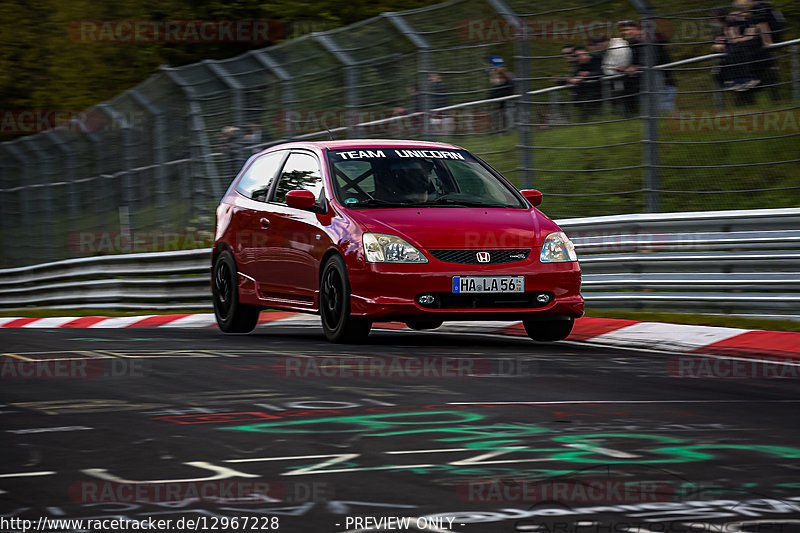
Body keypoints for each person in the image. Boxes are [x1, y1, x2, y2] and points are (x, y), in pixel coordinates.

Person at [619, 20, 677, 115]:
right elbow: (636, 62)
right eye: (623, 30)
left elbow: (655, 59)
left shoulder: (652, 41)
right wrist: (627, 68)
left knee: (663, 109)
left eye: (628, 29)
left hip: (661, 79)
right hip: (647, 79)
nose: (625, 33)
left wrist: (638, 67)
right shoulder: (634, 44)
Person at [567, 46, 603, 121]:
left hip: (599, 89)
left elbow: (601, 73)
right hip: (586, 92)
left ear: (585, 53)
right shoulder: (579, 64)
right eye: (575, 56)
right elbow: (576, 75)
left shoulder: (597, 58)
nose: (577, 59)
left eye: (578, 56)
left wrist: (587, 75)